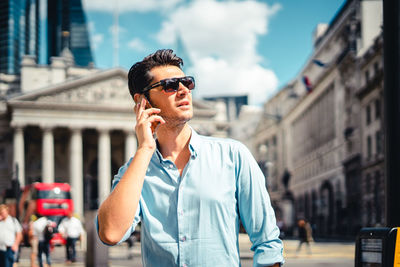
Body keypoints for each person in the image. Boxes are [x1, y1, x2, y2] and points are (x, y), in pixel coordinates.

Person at [97, 49, 284, 266]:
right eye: (170, 85)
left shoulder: (234, 156)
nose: (184, 90)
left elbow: (268, 243)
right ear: (143, 102)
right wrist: (145, 148)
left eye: (187, 82)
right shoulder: (134, 172)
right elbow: (110, 233)